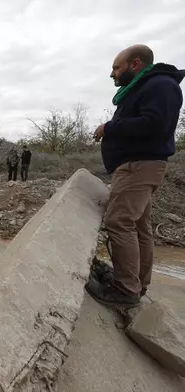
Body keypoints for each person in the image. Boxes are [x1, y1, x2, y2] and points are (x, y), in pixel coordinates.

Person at [88, 44, 184, 307]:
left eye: (116, 68)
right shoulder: (147, 87)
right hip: (138, 166)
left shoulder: (160, 85)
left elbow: (155, 124)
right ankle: (137, 284)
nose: (112, 74)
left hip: (139, 167)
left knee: (119, 222)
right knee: (139, 227)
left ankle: (126, 289)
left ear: (136, 64)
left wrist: (110, 127)